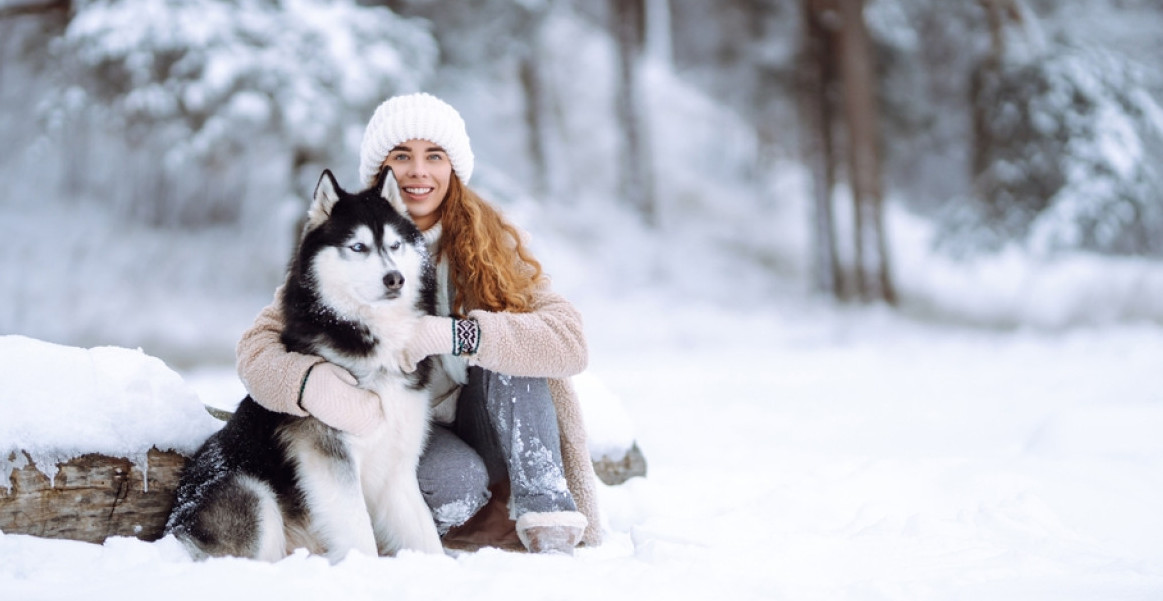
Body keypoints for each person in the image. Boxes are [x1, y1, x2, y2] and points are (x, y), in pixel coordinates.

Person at [234, 93, 601, 554]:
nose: (418, 171)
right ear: (382, 170)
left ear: (454, 169)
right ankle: (451, 528)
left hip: (490, 420)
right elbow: (255, 348)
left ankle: (550, 525)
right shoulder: (346, 246)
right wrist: (308, 384)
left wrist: (458, 335)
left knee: (515, 353)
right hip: (415, 437)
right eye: (402, 156)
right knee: (452, 483)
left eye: (435, 156)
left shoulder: (494, 244)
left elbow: (569, 341)